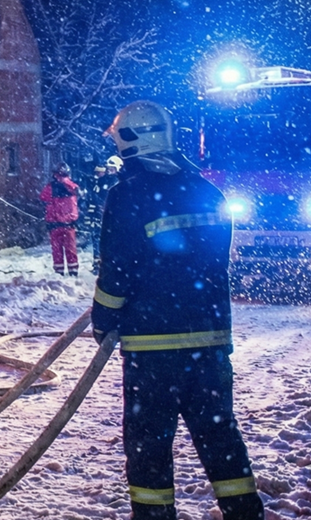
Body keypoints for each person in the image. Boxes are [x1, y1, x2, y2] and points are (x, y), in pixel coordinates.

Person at [92, 100, 264, 520]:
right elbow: (213, 264)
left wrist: (104, 318)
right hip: (210, 344)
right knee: (220, 436)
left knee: (149, 444)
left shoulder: (128, 194)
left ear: (129, 140)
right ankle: (244, 511)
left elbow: (117, 269)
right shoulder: (207, 191)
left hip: (153, 349)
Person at [82, 155, 123, 273]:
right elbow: (95, 197)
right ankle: (98, 265)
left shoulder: (120, 183)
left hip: (113, 218)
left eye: (112, 169)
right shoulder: (101, 181)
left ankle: (114, 265)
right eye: (108, 169)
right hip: (99, 216)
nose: (110, 171)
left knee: (113, 241)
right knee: (97, 239)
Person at [39, 163, 81, 275]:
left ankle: (59, 272)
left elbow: (42, 198)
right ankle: (73, 272)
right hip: (69, 224)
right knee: (71, 249)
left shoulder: (50, 187)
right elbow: (80, 196)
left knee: (57, 250)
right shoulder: (73, 186)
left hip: (54, 224)